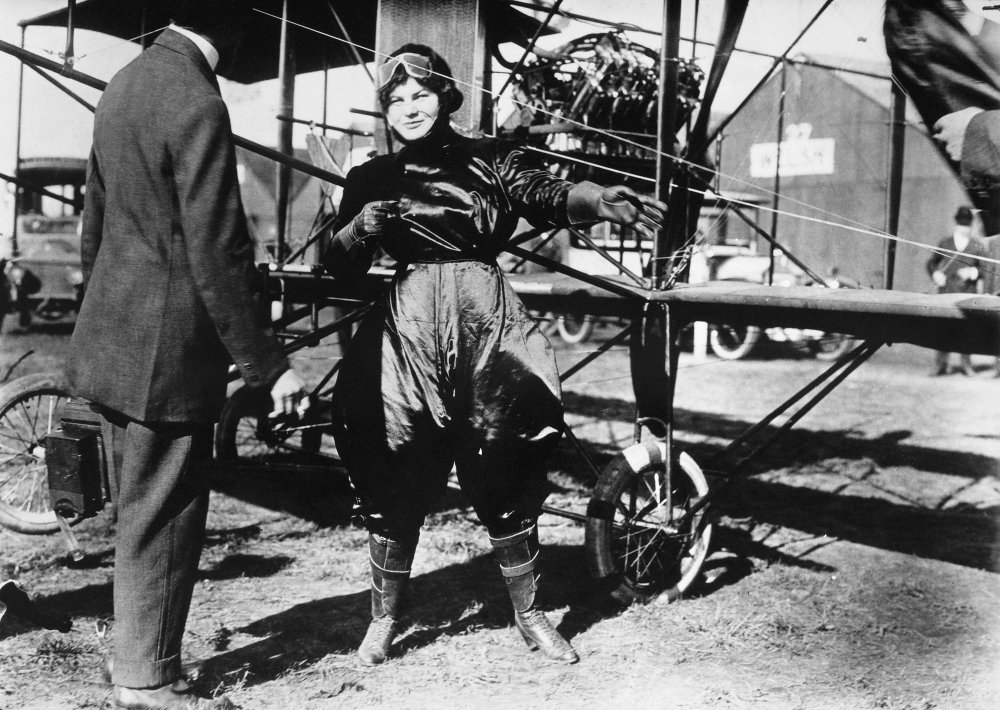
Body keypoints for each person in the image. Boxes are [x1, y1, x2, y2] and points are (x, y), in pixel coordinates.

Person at [323, 44, 666, 667]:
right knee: (393, 454)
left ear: (446, 97)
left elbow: (545, 192)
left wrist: (596, 198)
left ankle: (531, 616)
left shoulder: (491, 159)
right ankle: (382, 622)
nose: (410, 108)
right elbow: (336, 267)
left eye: (421, 95)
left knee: (506, 450)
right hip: (408, 331)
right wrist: (358, 228)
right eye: (396, 100)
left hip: (487, 324)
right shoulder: (368, 178)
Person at [65, 2, 309, 708]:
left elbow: (96, 226)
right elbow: (221, 251)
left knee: (137, 513)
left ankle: (138, 661)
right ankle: (148, 681)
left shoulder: (125, 82)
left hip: (113, 341)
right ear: (229, 26)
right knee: (165, 515)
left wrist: (96, 323)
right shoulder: (199, 101)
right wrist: (273, 365)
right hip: (166, 353)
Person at [925, 205, 985, 376]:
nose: (964, 228)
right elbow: (931, 263)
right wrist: (935, 274)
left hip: (967, 294)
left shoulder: (977, 246)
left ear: (971, 225)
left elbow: (987, 269)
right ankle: (940, 364)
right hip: (947, 293)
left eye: (967, 225)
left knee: (966, 329)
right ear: (956, 224)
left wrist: (973, 272)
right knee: (944, 329)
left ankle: (966, 365)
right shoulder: (945, 243)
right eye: (961, 224)